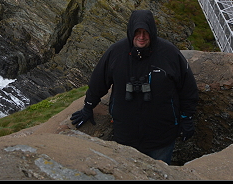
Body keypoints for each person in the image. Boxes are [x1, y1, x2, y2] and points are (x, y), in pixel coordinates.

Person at [70, 9, 198, 164]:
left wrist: (187, 118)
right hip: (125, 136)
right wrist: (88, 107)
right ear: (131, 31)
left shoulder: (169, 54)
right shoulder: (116, 53)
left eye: (146, 32)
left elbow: (187, 89)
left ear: (152, 31)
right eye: (137, 32)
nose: (142, 37)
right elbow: (99, 82)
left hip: (161, 137)